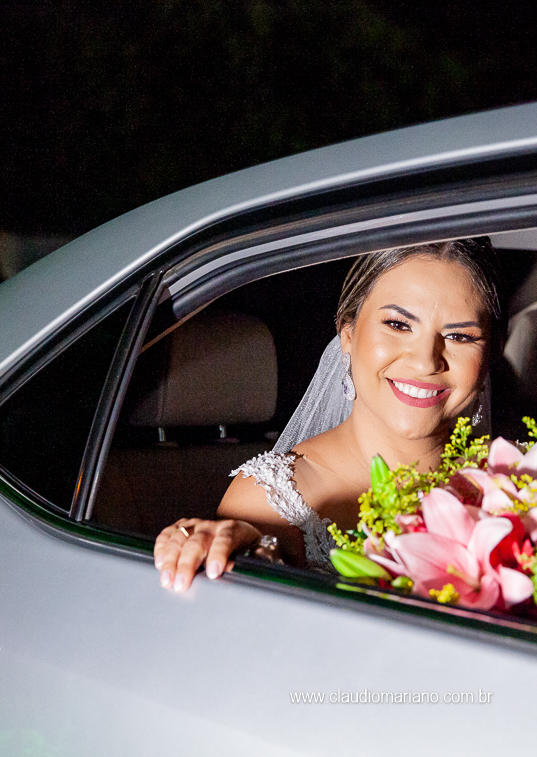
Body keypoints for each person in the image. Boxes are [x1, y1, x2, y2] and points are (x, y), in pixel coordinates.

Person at [154, 239, 500, 591]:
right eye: (398, 325)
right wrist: (246, 548)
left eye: (459, 336)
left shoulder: (516, 481)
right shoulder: (273, 499)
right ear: (347, 333)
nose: (426, 361)